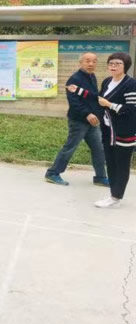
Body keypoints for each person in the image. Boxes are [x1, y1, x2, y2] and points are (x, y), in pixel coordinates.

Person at [67, 52, 136, 208]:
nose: (113, 66)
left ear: (125, 66)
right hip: (108, 130)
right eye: (111, 63)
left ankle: (115, 197)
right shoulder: (107, 81)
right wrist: (79, 91)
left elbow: (131, 109)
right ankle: (113, 195)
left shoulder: (131, 84)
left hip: (124, 131)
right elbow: (98, 99)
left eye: (118, 64)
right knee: (110, 163)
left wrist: (110, 105)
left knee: (121, 165)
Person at [45, 52, 108, 187]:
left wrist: (97, 114)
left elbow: (92, 98)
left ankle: (100, 177)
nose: (91, 64)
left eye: (94, 61)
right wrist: (87, 114)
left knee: (99, 148)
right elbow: (73, 101)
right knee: (70, 147)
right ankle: (52, 173)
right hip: (79, 121)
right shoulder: (74, 79)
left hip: (92, 122)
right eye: (87, 61)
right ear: (80, 63)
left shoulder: (92, 76)